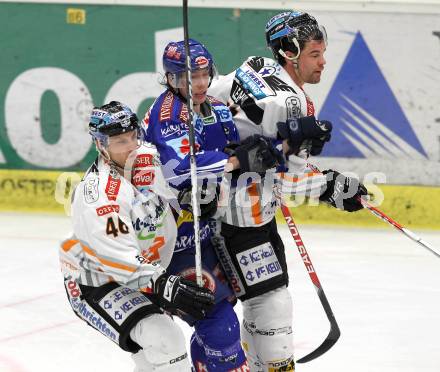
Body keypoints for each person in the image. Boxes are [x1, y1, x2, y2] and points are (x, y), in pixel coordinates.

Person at [209, 10, 368, 371]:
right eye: (315, 54)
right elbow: (291, 179)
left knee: (245, 306)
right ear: (289, 52)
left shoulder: (254, 66)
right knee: (271, 305)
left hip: (215, 210)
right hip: (241, 220)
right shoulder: (294, 103)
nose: (323, 62)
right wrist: (334, 187)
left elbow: (210, 104)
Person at [142, 39, 282, 371]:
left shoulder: (216, 108)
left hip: (205, 230)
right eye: (191, 77)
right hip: (167, 239)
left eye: (205, 74)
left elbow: (232, 151)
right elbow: (179, 170)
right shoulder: (168, 114)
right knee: (206, 328)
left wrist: (280, 144)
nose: (201, 83)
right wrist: (236, 161)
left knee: (218, 326)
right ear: (172, 79)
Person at [59, 101, 216, 372]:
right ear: (100, 145)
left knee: (153, 360)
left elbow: (175, 185)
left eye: (133, 136)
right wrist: (165, 283)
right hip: (98, 281)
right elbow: (117, 260)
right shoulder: (98, 196)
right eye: (120, 141)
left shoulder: (146, 157)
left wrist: (190, 197)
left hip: (144, 275)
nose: (132, 146)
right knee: (166, 340)